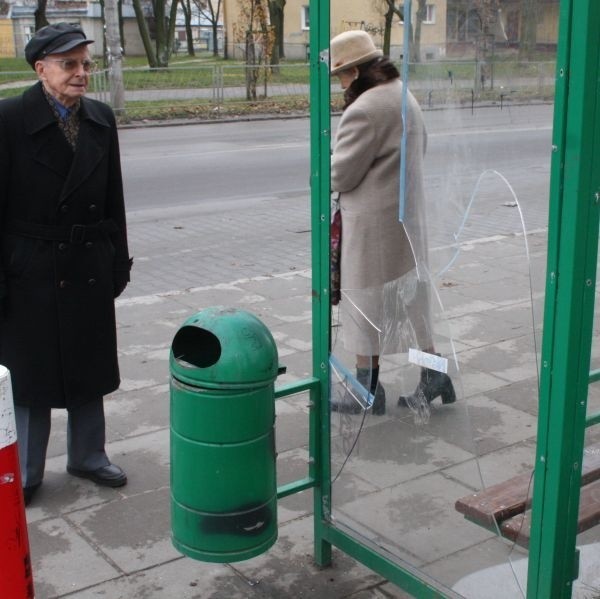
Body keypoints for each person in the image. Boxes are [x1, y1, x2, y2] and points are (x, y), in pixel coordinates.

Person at [0, 23, 133, 506]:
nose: (82, 73)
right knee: (30, 377)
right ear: (41, 69)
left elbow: (113, 197)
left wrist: (117, 260)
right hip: (29, 268)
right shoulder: (10, 118)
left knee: (88, 362)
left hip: (87, 262)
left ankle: (88, 455)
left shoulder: (99, 117)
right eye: (69, 64)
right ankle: (26, 470)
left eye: (85, 63)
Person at [329, 30, 454, 415]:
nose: (340, 83)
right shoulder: (403, 93)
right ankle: (435, 375)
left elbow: (340, 175)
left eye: (342, 75)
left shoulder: (364, 108)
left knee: (363, 303)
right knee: (411, 307)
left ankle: (368, 389)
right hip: (405, 220)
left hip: (372, 226)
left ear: (354, 71)